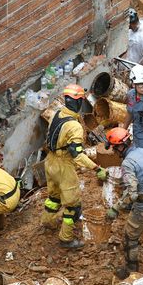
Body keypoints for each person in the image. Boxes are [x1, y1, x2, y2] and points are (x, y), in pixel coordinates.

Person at [42, 84, 108, 249]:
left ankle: (48, 222)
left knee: (54, 197)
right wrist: (97, 169)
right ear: (79, 102)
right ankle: (66, 239)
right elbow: (76, 154)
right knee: (73, 206)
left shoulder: (56, 114)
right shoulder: (74, 126)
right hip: (63, 165)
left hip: (49, 162)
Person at [105, 127, 143, 280]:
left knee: (130, 237)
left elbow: (131, 194)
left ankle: (131, 269)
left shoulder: (127, 163)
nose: (114, 152)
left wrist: (116, 208)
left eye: (114, 149)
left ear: (120, 147)